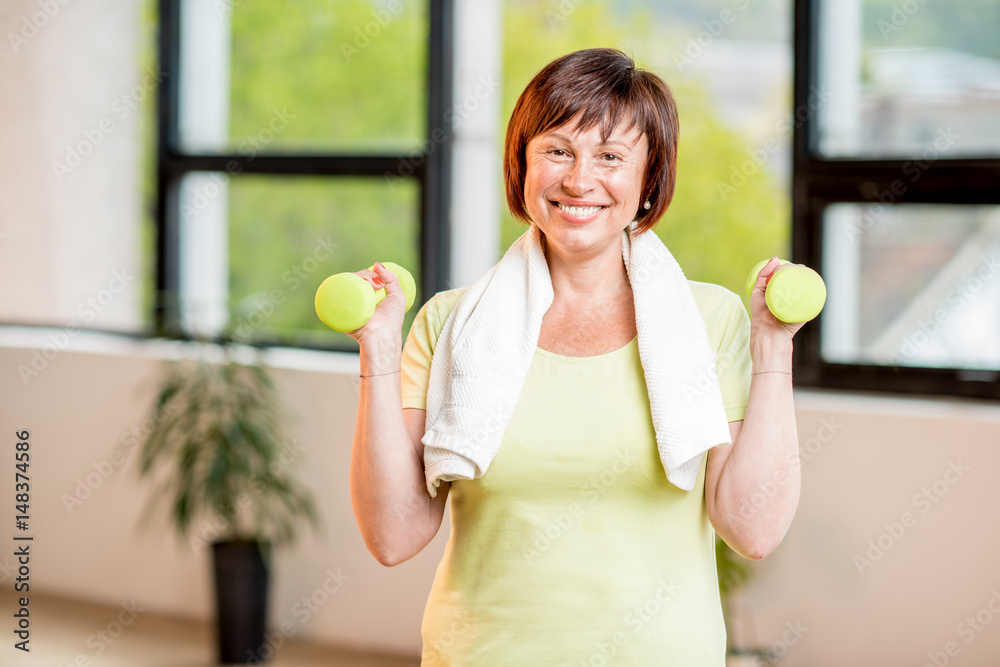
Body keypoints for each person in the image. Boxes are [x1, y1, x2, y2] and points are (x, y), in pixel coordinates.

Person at [348, 48, 802, 665]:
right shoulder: (450, 323)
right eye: (557, 150)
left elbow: (753, 529)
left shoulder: (710, 321)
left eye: (611, 157)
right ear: (522, 163)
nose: (578, 180)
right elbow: (394, 536)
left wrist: (773, 349)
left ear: (649, 180)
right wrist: (377, 349)